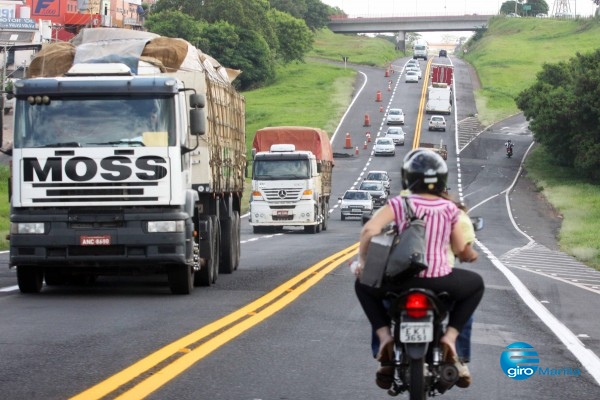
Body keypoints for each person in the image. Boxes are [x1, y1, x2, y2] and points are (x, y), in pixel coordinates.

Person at [353, 149, 485, 390]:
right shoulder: (449, 209)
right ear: (442, 180)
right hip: (440, 280)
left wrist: (363, 262)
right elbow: (459, 248)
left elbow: (369, 231)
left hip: (400, 281)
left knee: (362, 284)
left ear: (407, 177)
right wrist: (470, 255)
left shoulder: (399, 203)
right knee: (476, 285)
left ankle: (384, 339)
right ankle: (450, 339)